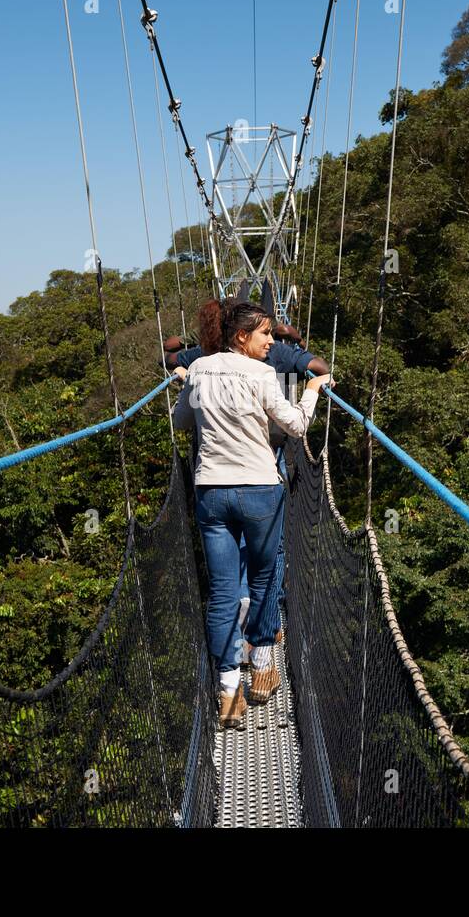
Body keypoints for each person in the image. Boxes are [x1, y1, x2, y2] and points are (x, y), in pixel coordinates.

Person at [171, 299, 331, 729]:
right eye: (264, 334)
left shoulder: (201, 368)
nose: (270, 342)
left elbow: (181, 421)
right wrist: (314, 389)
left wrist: (186, 380)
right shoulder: (261, 374)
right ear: (242, 336)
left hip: (211, 494)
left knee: (223, 592)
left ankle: (227, 692)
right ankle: (261, 668)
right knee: (264, 577)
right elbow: (295, 426)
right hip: (259, 490)